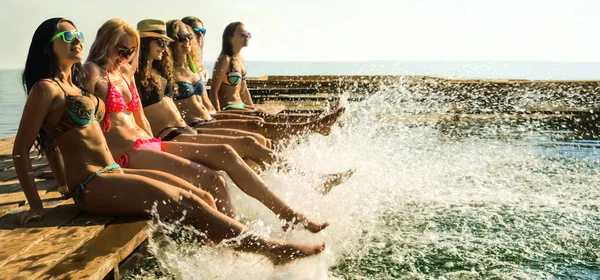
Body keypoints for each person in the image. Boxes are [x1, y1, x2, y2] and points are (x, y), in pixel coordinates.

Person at [12, 17, 324, 264]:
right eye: (67, 37)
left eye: (78, 34)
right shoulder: (47, 89)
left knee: (204, 196)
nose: (77, 40)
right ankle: (271, 250)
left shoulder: (76, 87)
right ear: (47, 47)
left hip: (114, 172)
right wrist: (38, 203)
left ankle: (224, 260)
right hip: (92, 183)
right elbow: (21, 151)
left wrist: (61, 180)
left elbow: (59, 139)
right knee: (185, 201)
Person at [84, 19, 328, 231]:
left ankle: (285, 215)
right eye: (122, 49)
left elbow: (141, 118)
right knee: (215, 177)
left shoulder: (126, 71)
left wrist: (154, 139)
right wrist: (88, 163)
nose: (125, 55)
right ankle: (242, 242)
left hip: (150, 142)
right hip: (127, 152)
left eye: (130, 51)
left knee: (222, 162)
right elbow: (80, 123)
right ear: (106, 42)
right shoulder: (91, 71)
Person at [134, 19, 275, 170]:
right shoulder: (162, 75)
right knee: (251, 141)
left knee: (258, 134)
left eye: (190, 36)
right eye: (181, 37)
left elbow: (207, 101)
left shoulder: (189, 68)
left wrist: (219, 114)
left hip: (206, 118)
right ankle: (289, 173)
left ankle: (278, 177)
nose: (188, 40)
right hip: (192, 125)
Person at [172, 19, 344, 141]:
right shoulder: (223, 60)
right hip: (227, 109)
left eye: (201, 33)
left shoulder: (210, 65)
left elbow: (244, 91)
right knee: (261, 119)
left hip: (227, 111)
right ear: (231, 37)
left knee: (267, 115)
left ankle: (316, 119)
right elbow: (214, 92)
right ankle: (315, 124)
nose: (196, 37)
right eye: (243, 34)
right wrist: (218, 116)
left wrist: (252, 106)